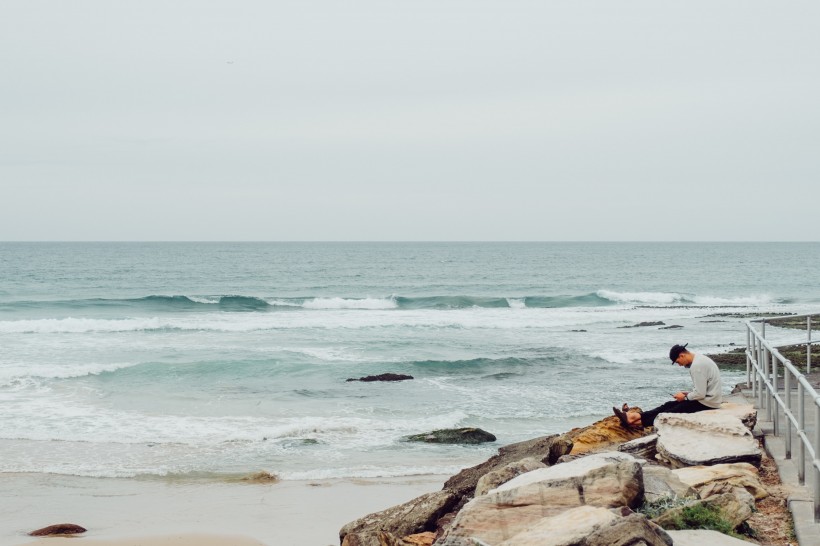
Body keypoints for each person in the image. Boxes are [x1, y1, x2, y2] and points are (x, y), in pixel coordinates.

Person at [613, 343, 723, 429]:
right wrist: (687, 394)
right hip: (709, 399)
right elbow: (703, 389)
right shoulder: (699, 359)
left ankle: (635, 422)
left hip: (708, 403)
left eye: (677, 361)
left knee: (668, 413)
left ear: (682, 355)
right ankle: (635, 417)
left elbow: (700, 393)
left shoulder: (697, 366)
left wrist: (684, 397)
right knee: (669, 404)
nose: (679, 364)